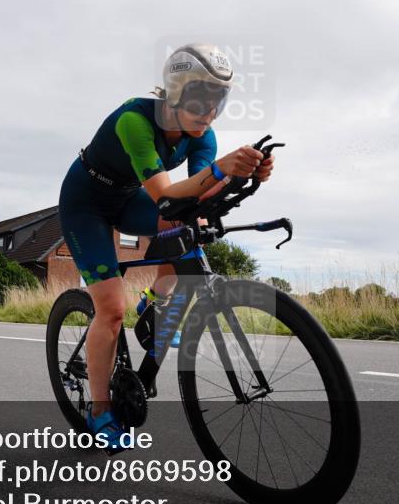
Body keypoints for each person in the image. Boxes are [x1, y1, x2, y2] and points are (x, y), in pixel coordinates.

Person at [57, 43, 275, 450]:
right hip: (85, 204)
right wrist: (220, 169)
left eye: (218, 102)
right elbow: (165, 196)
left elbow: (199, 196)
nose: (209, 113)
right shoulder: (134, 120)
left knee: (189, 224)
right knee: (109, 309)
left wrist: (248, 175)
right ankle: (100, 411)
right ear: (174, 92)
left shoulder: (201, 136)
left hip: (126, 197)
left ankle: (153, 304)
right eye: (200, 100)